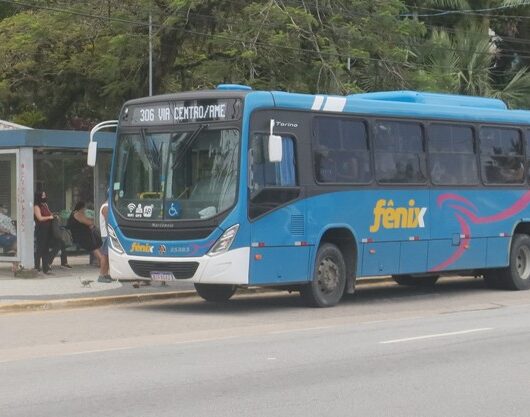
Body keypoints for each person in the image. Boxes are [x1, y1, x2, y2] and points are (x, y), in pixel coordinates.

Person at [68, 201, 111, 283]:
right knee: (102, 254)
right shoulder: (78, 214)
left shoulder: (77, 214)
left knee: (101, 250)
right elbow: (89, 222)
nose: (85, 210)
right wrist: (90, 221)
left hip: (84, 235)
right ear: (81, 208)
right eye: (84, 208)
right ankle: (103, 273)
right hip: (83, 237)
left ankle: (104, 272)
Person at [34, 191, 55, 274]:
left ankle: (45, 268)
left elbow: (50, 213)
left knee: (46, 249)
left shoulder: (45, 205)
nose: (45, 196)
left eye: (45, 195)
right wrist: (50, 217)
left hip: (48, 229)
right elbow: (39, 218)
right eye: (43, 195)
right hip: (41, 229)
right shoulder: (36, 206)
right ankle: (37, 267)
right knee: (40, 248)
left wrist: (53, 216)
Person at [99, 198, 111, 281]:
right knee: (105, 255)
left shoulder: (108, 206)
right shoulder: (106, 207)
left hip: (108, 234)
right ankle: (102, 275)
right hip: (107, 235)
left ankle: (106, 274)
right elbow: (108, 222)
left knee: (108, 255)